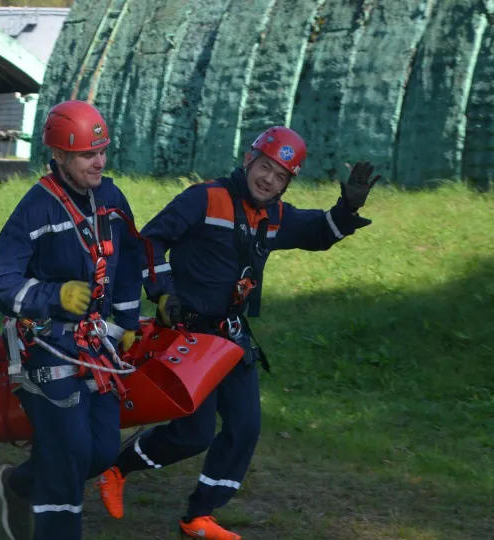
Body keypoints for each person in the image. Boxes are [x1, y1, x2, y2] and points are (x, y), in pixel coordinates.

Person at [96, 126, 381, 539]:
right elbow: (149, 241)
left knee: (245, 427)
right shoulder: (203, 198)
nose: (269, 179)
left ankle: (199, 516)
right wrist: (162, 292)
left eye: (281, 175)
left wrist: (346, 210)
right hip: (188, 337)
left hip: (232, 338)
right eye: (265, 167)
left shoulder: (275, 215)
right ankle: (116, 469)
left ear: (286, 183)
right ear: (249, 160)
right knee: (193, 435)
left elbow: (318, 232)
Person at [0, 100, 147, 540]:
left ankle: (16, 485)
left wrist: (127, 317)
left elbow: (130, 257)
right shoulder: (36, 208)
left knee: (100, 452)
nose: (99, 162)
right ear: (59, 156)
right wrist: (52, 296)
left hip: (96, 346)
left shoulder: (110, 198)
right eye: (86, 155)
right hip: (46, 345)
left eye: (101, 151)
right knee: (68, 455)